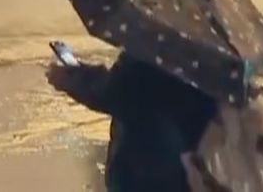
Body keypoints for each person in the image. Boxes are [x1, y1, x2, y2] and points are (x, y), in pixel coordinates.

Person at [47, 52, 218, 192]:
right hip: (182, 173)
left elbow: (116, 90)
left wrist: (68, 78)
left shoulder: (154, 42)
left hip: (141, 171)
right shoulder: (211, 57)